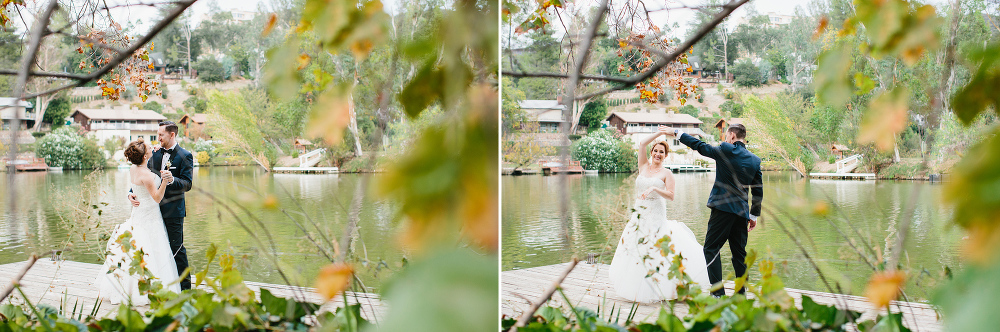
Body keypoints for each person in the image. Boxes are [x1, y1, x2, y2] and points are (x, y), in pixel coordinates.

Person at [607, 125, 710, 302]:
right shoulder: (643, 166)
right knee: (635, 247)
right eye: (655, 150)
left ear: (665, 155)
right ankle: (637, 288)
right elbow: (641, 144)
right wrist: (661, 133)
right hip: (639, 213)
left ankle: (661, 288)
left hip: (656, 213)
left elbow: (671, 196)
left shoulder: (667, 173)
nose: (657, 154)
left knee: (654, 249)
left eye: (661, 152)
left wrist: (655, 188)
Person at [671, 123, 763, 297]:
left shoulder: (726, 150)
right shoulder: (755, 160)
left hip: (722, 210)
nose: (725, 139)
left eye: (726, 136)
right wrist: (753, 215)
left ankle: (718, 293)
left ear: (732, 136)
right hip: (742, 213)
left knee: (711, 248)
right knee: (739, 254)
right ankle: (741, 293)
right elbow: (758, 190)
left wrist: (678, 133)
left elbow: (700, 146)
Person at [96, 138, 182, 305]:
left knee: (136, 250)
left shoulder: (133, 168)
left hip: (138, 213)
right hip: (150, 215)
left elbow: (136, 188)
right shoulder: (147, 175)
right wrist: (164, 181)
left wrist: (130, 194)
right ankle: (147, 290)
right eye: (149, 148)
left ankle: (128, 287)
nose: (152, 147)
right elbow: (156, 198)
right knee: (153, 250)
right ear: (144, 156)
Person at [127, 121, 194, 290]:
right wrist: (130, 192)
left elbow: (188, 184)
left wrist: (172, 179)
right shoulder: (153, 154)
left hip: (173, 211)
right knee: (153, 250)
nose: (158, 138)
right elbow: (142, 176)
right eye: (157, 135)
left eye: (161, 135)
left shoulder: (185, 156)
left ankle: (185, 290)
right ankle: (159, 286)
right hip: (151, 212)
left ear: (172, 135)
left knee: (177, 250)